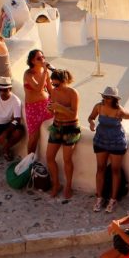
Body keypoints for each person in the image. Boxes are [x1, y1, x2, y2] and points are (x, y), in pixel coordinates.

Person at [89, 85, 129, 213]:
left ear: (114, 99)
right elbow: (91, 117)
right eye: (105, 96)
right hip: (101, 139)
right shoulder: (98, 106)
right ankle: (99, 197)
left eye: (109, 97)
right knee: (100, 168)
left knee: (115, 170)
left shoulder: (118, 110)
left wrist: (121, 112)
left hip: (116, 141)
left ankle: (113, 200)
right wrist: (91, 122)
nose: (106, 99)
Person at [45, 68, 80, 199]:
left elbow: (73, 114)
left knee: (67, 159)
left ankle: (68, 186)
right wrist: (51, 110)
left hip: (70, 128)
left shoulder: (73, 93)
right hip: (57, 126)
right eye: (53, 84)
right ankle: (56, 184)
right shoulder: (54, 92)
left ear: (64, 81)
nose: (54, 87)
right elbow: (53, 112)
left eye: (57, 84)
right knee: (49, 157)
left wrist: (59, 107)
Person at [22, 48, 53, 156]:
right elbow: (38, 88)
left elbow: (50, 89)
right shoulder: (28, 74)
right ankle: (29, 161)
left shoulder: (45, 73)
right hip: (33, 108)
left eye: (43, 57)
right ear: (32, 61)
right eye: (39, 58)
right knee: (33, 136)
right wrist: (45, 71)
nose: (42, 60)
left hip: (46, 105)